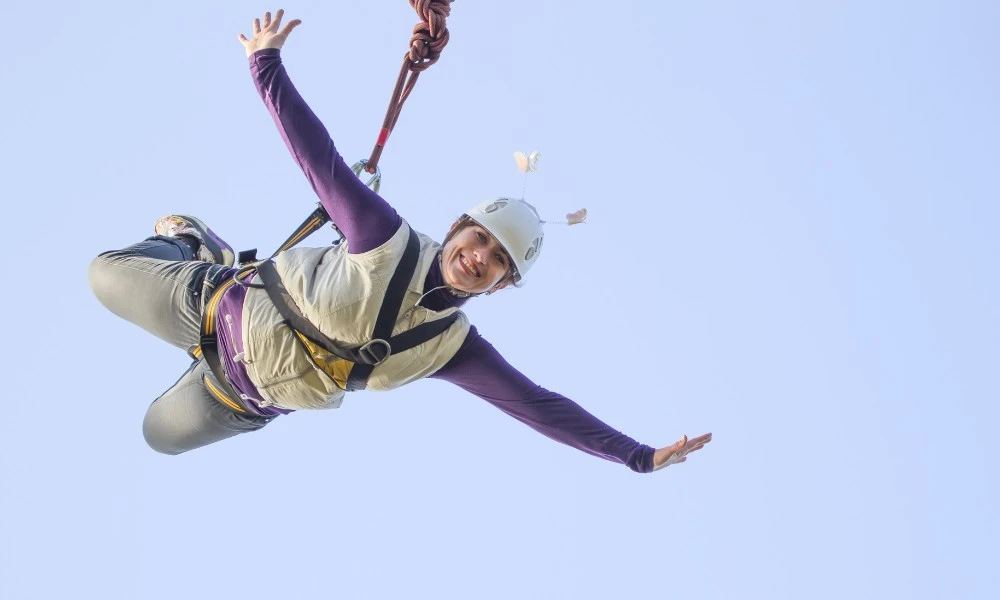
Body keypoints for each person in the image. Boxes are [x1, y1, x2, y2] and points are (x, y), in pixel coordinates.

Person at [88, 9, 711, 472]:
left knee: (156, 434)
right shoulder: (383, 237)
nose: (479, 258)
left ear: (499, 286)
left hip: (242, 396)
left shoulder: (453, 349)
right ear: (458, 228)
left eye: (496, 263)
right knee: (101, 273)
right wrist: (265, 63)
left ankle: (206, 312)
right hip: (213, 304)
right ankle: (199, 247)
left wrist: (637, 456)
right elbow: (318, 158)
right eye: (479, 239)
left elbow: (539, 406)